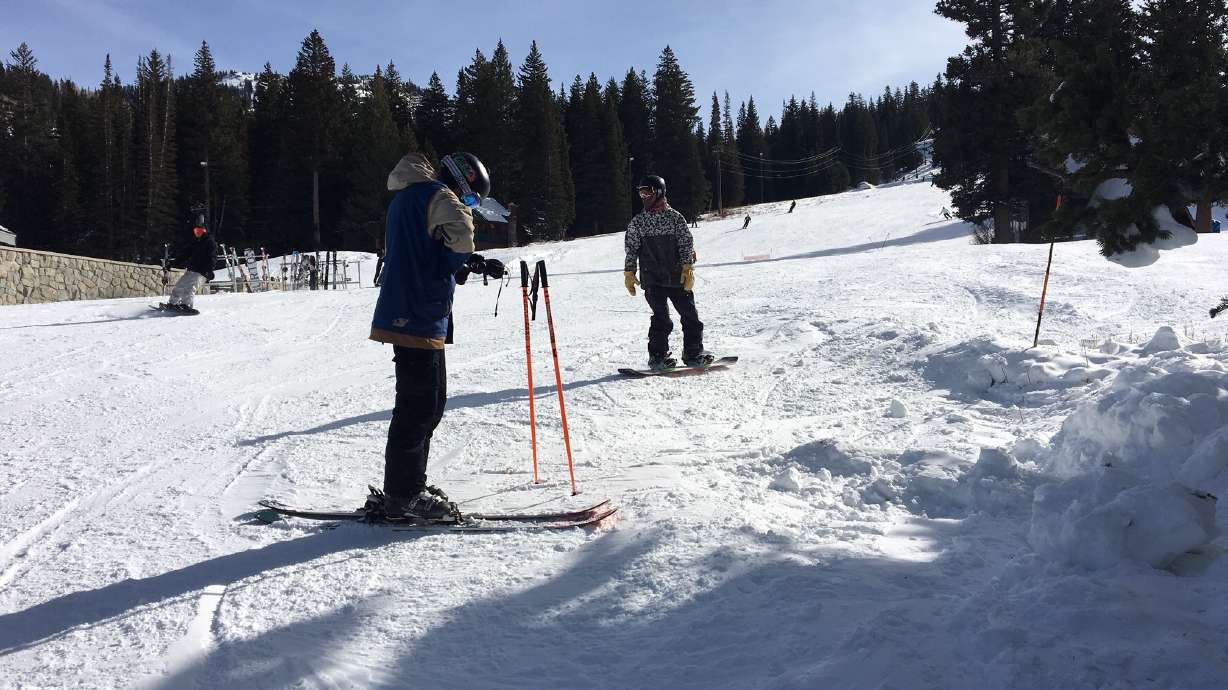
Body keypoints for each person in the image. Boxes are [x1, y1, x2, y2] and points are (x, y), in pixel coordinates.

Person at [368, 151, 505, 520]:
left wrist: (468, 265)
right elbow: (457, 243)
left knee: (430, 404)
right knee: (418, 408)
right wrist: (465, 257)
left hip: (414, 314)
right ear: (466, 181)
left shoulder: (410, 197)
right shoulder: (440, 196)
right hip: (415, 314)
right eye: (473, 198)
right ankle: (403, 494)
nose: (471, 205)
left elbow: (426, 249)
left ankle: (411, 483)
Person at [624, 175, 712, 371]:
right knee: (662, 318)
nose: (644, 196)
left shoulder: (675, 218)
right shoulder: (638, 222)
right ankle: (658, 357)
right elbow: (631, 248)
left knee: (691, 316)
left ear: (659, 192)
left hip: (676, 276)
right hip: (652, 278)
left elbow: (686, 243)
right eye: (641, 192)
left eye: (647, 191)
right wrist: (629, 272)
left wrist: (688, 268)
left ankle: (693, 352)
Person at [165, 223, 217, 313]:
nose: (197, 233)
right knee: (179, 285)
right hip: (192, 269)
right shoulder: (196, 243)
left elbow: (212, 257)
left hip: (202, 271)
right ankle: (172, 303)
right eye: (195, 231)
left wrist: (209, 270)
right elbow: (185, 255)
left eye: (199, 231)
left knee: (190, 288)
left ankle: (186, 305)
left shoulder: (210, 242)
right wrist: (172, 263)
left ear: (204, 231)